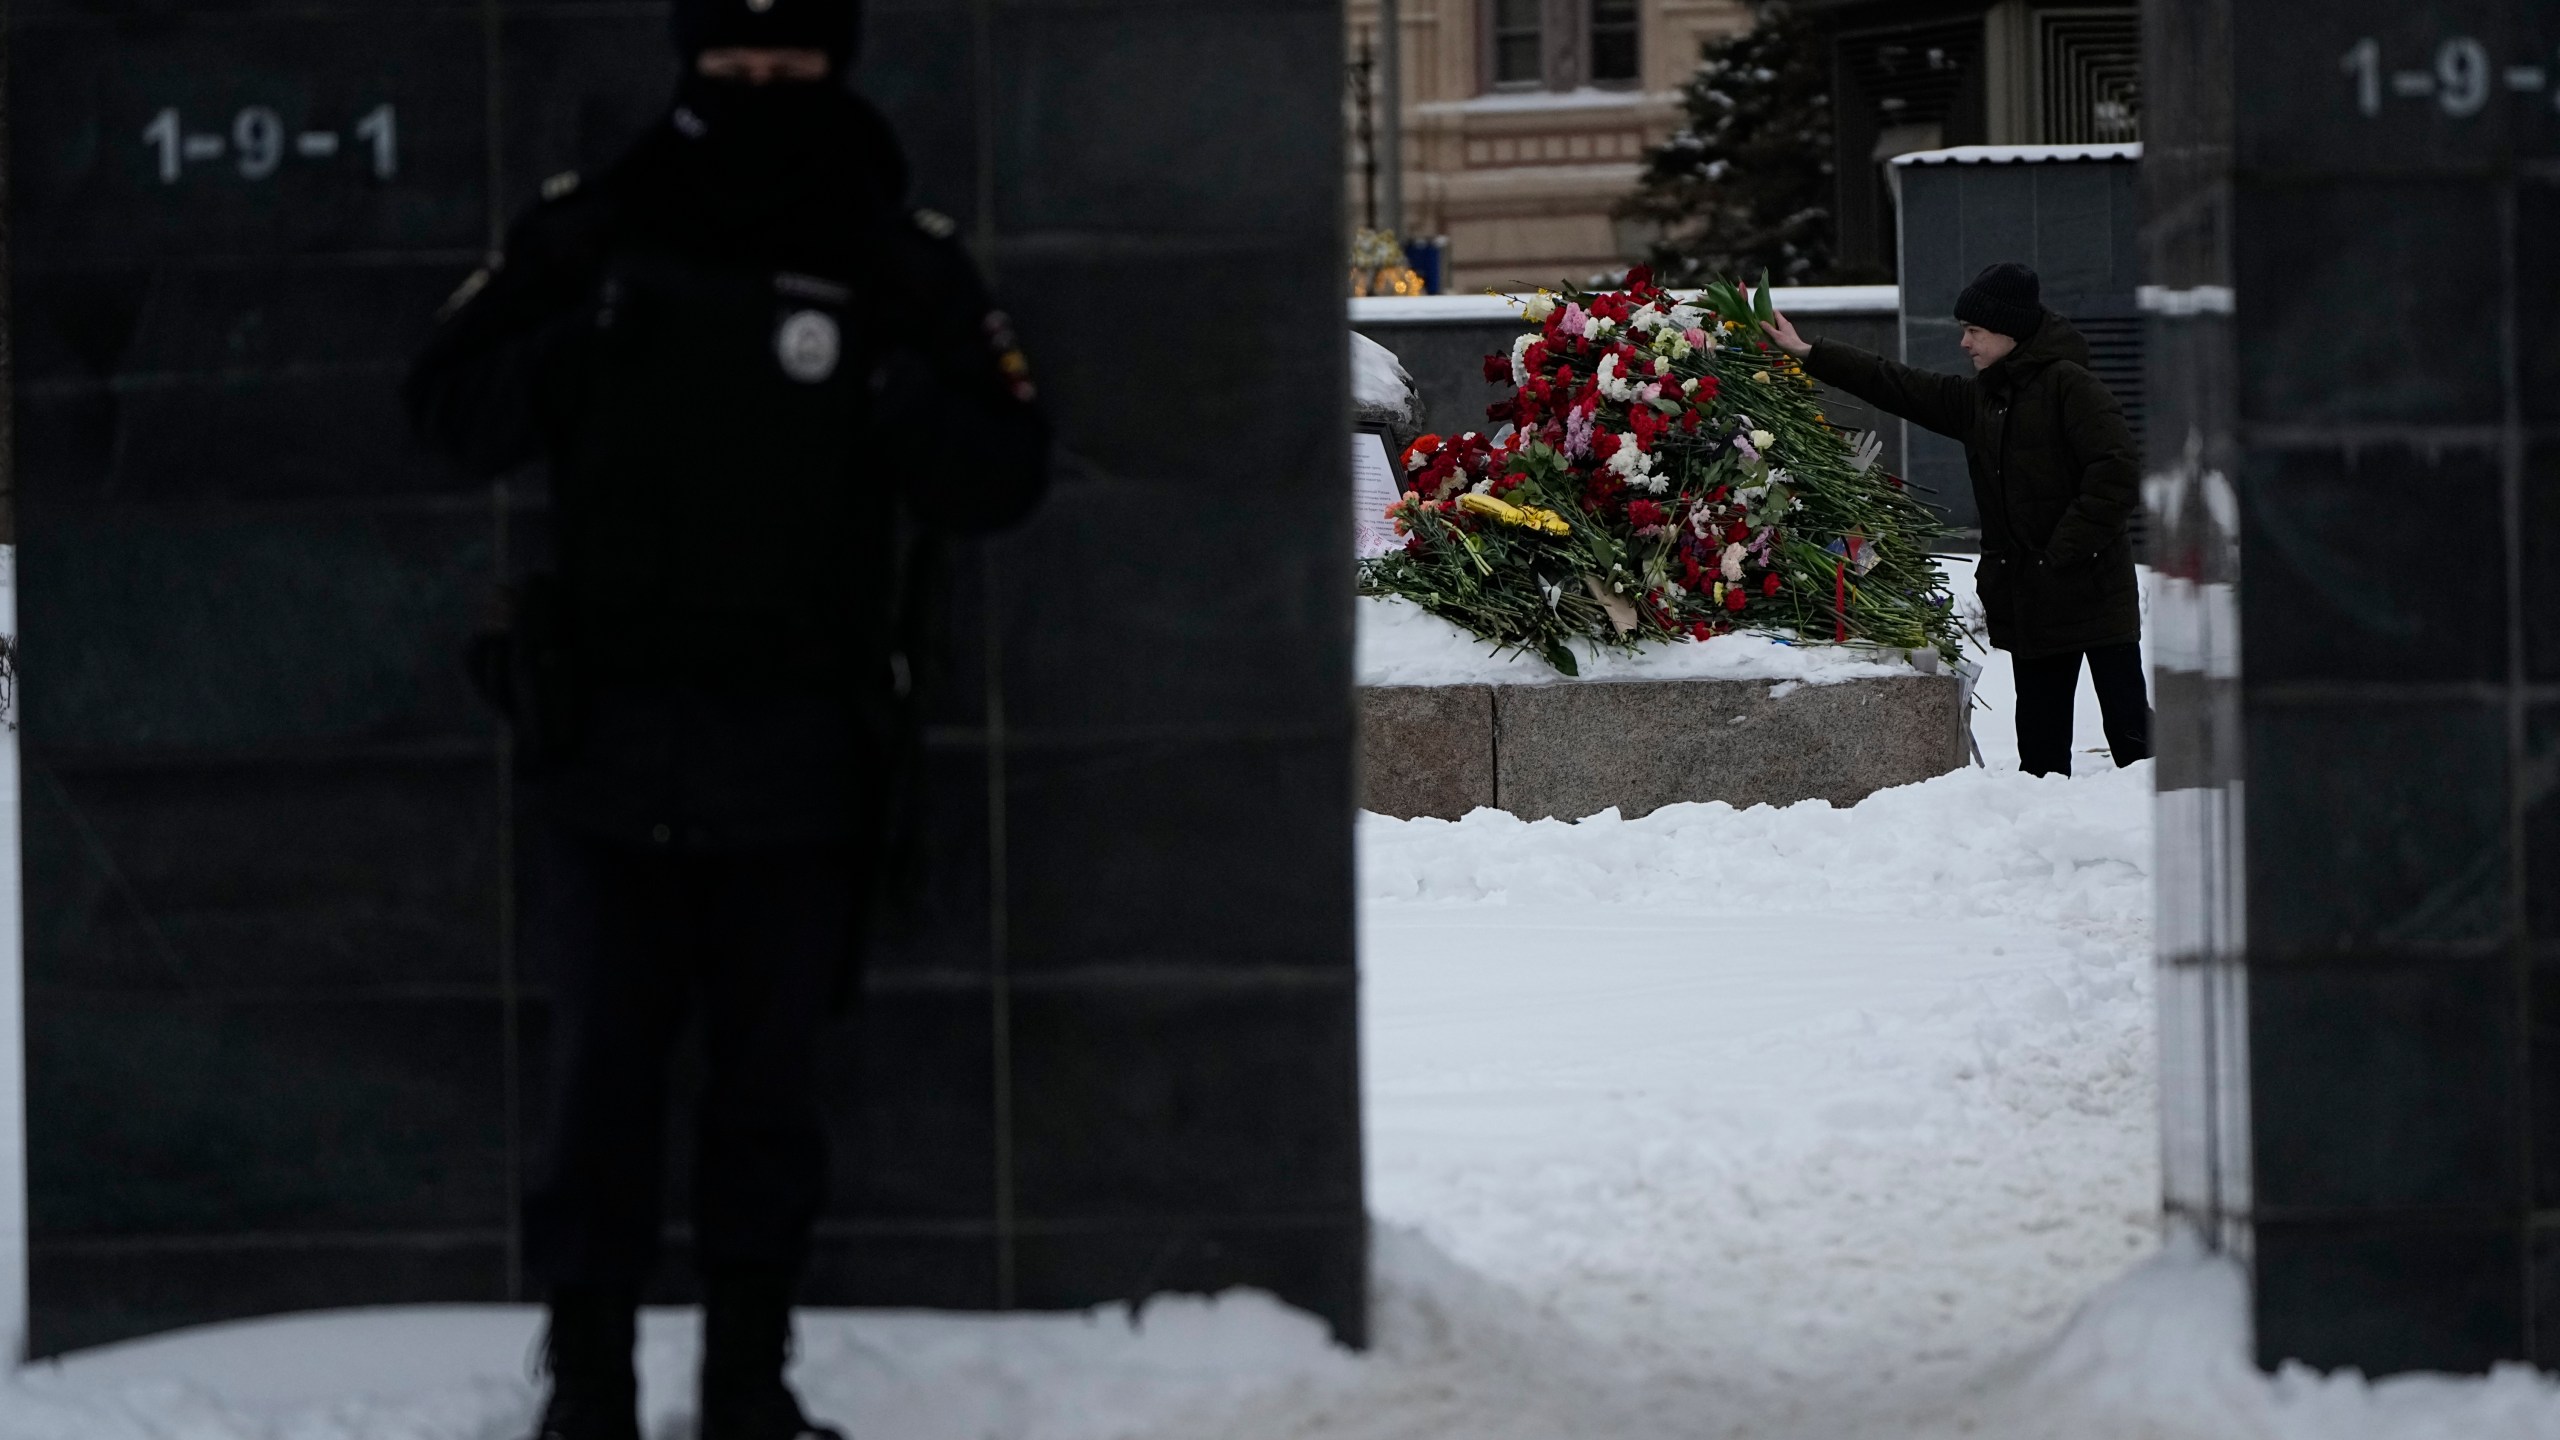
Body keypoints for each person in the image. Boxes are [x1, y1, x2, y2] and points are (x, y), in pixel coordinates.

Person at [403, 0, 1049, 1433]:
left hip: (801, 752)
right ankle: (589, 1394)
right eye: (736, 67)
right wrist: (578, 351)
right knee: (599, 1100)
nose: (762, 90)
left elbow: (1006, 466)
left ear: (836, 69)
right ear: (689, 67)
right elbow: (443, 408)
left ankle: (747, 1389)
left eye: (791, 66)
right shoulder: (603, 229)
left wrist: (893, 404)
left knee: (768, 1102)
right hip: (608, 747)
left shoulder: (890, 251)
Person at [1761, 262, 2147, 777]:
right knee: (2040, 754)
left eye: (1974, 331)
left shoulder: (2071, 388)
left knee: (2132, 740)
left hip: (2093, 593)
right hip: (2033, 600)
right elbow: (1896, 383)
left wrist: (2059, 554)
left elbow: (2118, 475)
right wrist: (1812, 354)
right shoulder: (1981, 399)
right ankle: (2049, 847)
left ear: (2009, 332)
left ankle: (2152, 846)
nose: (1965, 343)